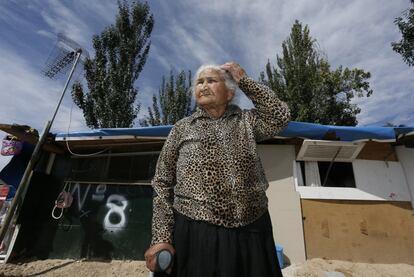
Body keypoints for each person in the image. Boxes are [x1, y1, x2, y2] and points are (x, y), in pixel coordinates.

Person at [145, 62, 290, 277]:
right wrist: (161, 236)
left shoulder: (247, 121)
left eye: (211, 80)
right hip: (196, 231)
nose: (203, 85)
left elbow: (279, 116)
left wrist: (244, 80)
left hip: (251, 231)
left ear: (230, 92)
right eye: (199, 82)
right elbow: (162, 182)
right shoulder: (182, 128)